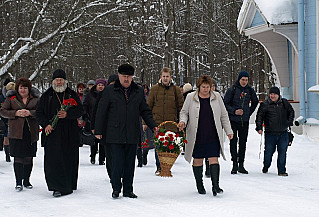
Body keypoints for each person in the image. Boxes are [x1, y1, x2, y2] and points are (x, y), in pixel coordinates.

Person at [95, 64, 158, 199]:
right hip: (114, 133)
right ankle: (116, 188)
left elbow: (145, 110)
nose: (126, 79)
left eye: (129, 77)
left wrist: (153, 125)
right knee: (117, 162)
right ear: (119, 76)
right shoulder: (110, 90)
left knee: (130, 163)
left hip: (132, 132)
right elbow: (101, 111)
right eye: (124, 76)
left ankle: (128, 189)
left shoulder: (138, 91)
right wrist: (98, 130)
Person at [179, 75, 233, 196]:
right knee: (198, 159)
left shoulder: (217, 97)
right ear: (199, 87)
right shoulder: (190, 97)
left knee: (214, 158)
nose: (206, 89)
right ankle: (199, 184)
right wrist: (183, 121)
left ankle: (216, 185)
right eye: (203, 87)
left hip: (213, 133)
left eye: (208, 87)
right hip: (197, 133)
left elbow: (224, 115)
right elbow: (184, 112)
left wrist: (229, 131)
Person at [36, 69, 83, 197]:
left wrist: (68, 114)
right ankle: (57, 187)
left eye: (61, 80)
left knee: (69, 159)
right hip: (53, 134)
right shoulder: (47, 96)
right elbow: (39, 113)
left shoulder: (71, 94)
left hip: (69, 133)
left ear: (65, 81)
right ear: (53, 81)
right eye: (57, 80)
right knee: (54, 161)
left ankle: (69, 184)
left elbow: (80, 110)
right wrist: (46, 124)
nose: (59, 82)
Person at [0, 78, 40, 191]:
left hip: (30, 132)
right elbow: (2, 111)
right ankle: (18, 182)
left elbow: (41, 111)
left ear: (29, 88)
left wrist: (30, 113)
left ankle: (26, 180)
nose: (23, 90)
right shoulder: (11, 98)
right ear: (17, 88)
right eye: (21, 88)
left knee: (28, 157)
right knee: (18, 157)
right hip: (16, 132)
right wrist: (15, 113)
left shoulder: (35, 99)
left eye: (25, 88)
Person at [144, 67, 184, 175]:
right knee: (159, 145)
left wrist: (182, 121)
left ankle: (167, 165)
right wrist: (145, 122)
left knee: (169, 145)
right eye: (164, 76)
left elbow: (181, 107)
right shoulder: (154, 89)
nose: (165, 79)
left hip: (171, 122)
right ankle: (159, 166)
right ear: (160, 77)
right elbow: (148, 107)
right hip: (157, 122)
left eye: (167, 76)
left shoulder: (175, 90)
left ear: (171, 77)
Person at [223, 70, 258, 174]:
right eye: (243, 80)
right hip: (233, 121)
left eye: (246, 80)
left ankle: (241, 165)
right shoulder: (232, 90)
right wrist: (234, 111)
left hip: (244, 121)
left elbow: (255, 102)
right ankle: (234, 164)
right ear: (239, 79)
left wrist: (248, 112)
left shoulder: (250, 90)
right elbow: (225, 104)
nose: (244, 82)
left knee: (243, 143)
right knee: (233, 143)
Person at [255, 87, 294, 176]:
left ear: (278, 95)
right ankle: (266, 166)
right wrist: (259, 127)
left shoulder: (284, 103)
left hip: (283, 133)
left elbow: (291, 112)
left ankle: (281, 170)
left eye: (274, 94)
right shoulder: (265, 104)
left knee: (282, 152)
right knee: (268, 152)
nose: (272, 96)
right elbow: (259, 116)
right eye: (271, 94)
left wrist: (289, 122)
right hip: (270, 133)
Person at [83, 78, 107, 165]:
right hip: (91, 119)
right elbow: (85, 105)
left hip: (104, 121)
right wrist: (85, 115)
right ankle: (93, 156)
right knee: (93, 140)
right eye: (99, 85)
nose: (100, 87)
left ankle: (102, 159)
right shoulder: (90, 95)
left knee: (102, 141)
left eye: (102, 85)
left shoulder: (107, 95)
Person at [136, 84, 153, 167]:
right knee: (138, 141)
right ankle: (139, 159)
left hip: (145, 121)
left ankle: (145, 154)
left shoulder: (148, 98)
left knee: (146, 139)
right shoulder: (134, 97)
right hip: (136, 121)